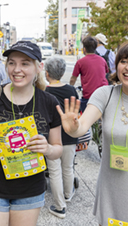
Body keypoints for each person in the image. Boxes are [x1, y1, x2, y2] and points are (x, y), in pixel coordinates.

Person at [57, 40, 128, 226]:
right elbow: (82, 125)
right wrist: (73, 128)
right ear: (116, 65)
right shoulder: (105, 94)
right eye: (123, 61)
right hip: (110, 192)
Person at [0, 41, 63, 226]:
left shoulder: (49, 102)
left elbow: (58, 149)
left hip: (30, 189)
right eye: (12, 63)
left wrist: (47, 149)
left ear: (39, 67)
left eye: (25, 63)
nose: (17, 69)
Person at [44, 56, 79, 219]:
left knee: (54, 171)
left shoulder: (45, 92)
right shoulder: (71, 90)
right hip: (70, 136)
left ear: (47, 74)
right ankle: (67, 195)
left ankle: (60, 207)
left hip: (53, 137)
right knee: (68, 167)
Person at [70, 36, 108, 112]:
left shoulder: (80, 62)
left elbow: (73, 79)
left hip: (89, 96)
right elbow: (105, 73)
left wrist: (70, 87)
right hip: (104, 94)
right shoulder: (102, 60)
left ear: (84, 49)